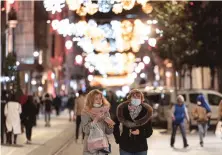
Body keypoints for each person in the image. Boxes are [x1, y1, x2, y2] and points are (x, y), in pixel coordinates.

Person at [114, 89, 153, 155]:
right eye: (134, 96)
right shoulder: (122, 110)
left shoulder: (145, 112)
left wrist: (140, 132)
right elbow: (115, 125)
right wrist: (118, 139)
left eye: (138, 97)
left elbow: (149, 131)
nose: (136, 98)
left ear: (141, 99)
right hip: (125, 146)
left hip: (141, 147)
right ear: (129, 98)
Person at [81, 89, 114, 155]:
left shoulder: (105, 111)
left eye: (100, 98)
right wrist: (96, 119)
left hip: (102, 146)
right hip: (90, 147)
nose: (99, 100)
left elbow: (109, 132)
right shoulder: (85, 112)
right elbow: (86, 130)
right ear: (91, 100)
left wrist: (110, 125)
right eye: (96, 99)